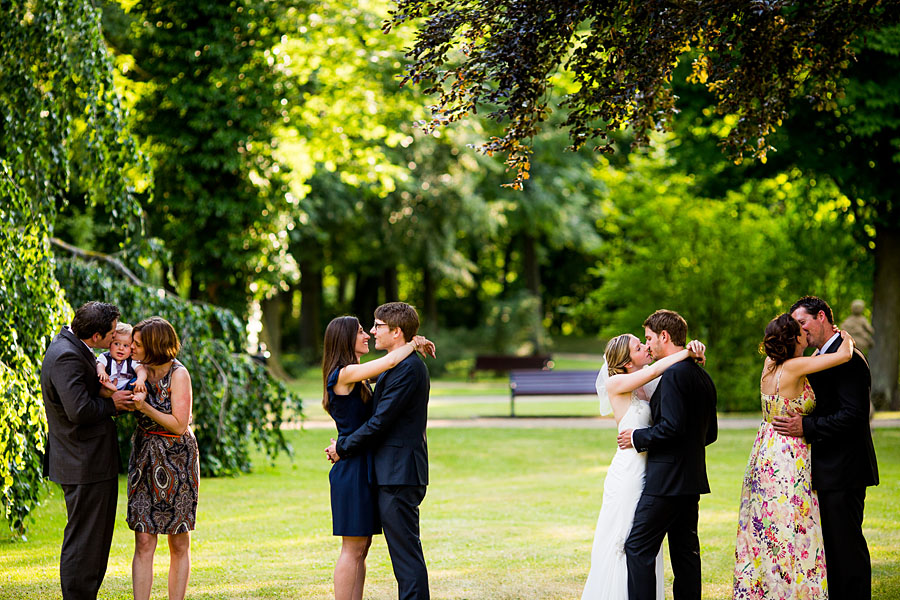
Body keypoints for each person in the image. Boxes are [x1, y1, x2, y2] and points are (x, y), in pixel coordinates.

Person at [733, 314, 856, 598]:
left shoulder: (769, 365)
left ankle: (767, 585)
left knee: (767, 521)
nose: (805, 334)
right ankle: (794, 587)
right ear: (795, 339)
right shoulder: (796, 367)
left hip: (764, 450)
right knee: (794, 519)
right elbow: (844, 355)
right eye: (800, 331)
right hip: (790, 452)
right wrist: (846, 335)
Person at [582, 333, 706, 600]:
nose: (647, 347)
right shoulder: (618, 382)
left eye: (644, 342)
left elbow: (676, 384)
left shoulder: (648, 383)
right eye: (639, 347)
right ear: (627, 362)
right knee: (624, 537)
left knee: (647, 541)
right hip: (628, 472)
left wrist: (695, 355)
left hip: (652, 471)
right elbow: (661, 367)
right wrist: (687, 352)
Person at [321, 315, 435, 600]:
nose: (368, 334)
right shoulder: (343, 373)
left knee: (361, 548)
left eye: (372, 328)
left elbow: (386, 370)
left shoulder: (357, 373)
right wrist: (413, 342)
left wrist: (410, 343)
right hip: (352, 466)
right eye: (361, 331)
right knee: (352, 548)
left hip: (365, 464)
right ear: (346, 339)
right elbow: (389, 363)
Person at [773, 296, 879, 599]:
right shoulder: (822, 356)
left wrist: (805, 427)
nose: (800, 331)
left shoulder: (849, 358)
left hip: (845, 469)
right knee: (831, 548)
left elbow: (854, 414)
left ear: (821, 317)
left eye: (803, 322)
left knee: (846, 548)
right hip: (825, 468)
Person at [617, 309, 718, 600]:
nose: (647, 345)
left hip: (667, 481)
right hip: (692, 480)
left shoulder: (673, 375)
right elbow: (709, 434)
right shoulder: (702, 375)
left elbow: (670, 428)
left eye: (649, 338)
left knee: (637, 546)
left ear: (664, 336)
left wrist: (637, 437)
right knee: (686, 554)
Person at [41, 301, 134, 600]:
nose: (114, 339)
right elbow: (78, 410)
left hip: (88, 462)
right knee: (84, 542)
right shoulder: (66, 356)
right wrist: (113, 404)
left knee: (93, 540)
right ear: (95, 336)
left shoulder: (72, 345)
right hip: (83, 463)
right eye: (110, 334)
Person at [127, 317, 200, 600]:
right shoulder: (136, 368)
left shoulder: (178, 374)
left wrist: (144, 407)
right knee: (144, 538)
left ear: (155, 347)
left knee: (178, 541)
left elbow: (180, 425)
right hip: (145, 454)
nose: (131, 347)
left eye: (138, 344)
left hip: (177, 457)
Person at [96, 321, 147, 392]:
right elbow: (100, 365)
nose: (121, 348)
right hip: (109, 383)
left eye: (126, 345)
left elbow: (141, 370)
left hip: (128, 387)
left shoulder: (131, 360)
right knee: (101, 381)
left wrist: (140, 380)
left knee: (140, 385)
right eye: (116, 344)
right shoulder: (105, 357)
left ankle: (139, 398)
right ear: (110, 344)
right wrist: (102, 372)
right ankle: (110, 389)